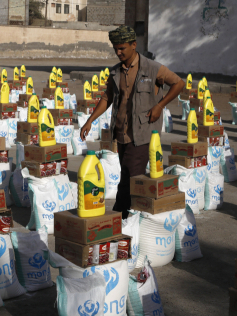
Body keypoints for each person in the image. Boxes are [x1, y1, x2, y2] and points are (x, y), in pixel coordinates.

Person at [79, 26, 184, 218]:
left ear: (134, 45)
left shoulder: (152, 68)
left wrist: (160, 106)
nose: (118, 53)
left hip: (143, 133)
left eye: (122, 48)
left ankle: (123, 216)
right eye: (115, 49)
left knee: (131, 176)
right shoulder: (115, 72)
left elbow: (179, 83)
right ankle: (127, 217)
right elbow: (106, 98)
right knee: (127, 174)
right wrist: (90, 120)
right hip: (122, 133)